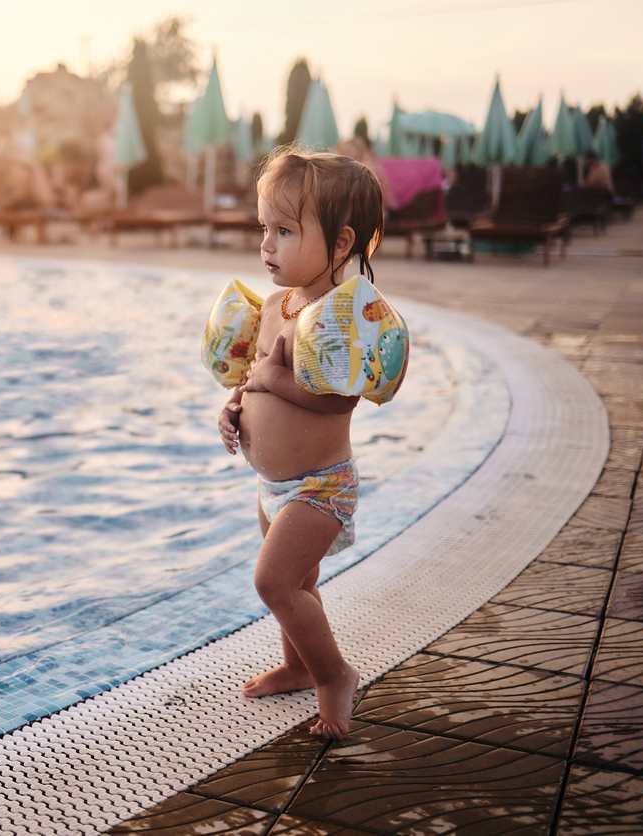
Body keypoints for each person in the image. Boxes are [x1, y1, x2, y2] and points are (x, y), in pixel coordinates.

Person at [217, 147, 385, 740]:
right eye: (264, 228)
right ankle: (296, 665)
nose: (266, 245)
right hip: (274, 484)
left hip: (320, 486)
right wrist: (237, 405)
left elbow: (341, 400)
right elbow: (252, 376)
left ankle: (334, 674)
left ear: (340, 245)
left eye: (284, 231)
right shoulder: (273, 307)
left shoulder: (337, 318)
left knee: (274, 583)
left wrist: (270, 380)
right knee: (300, 585)